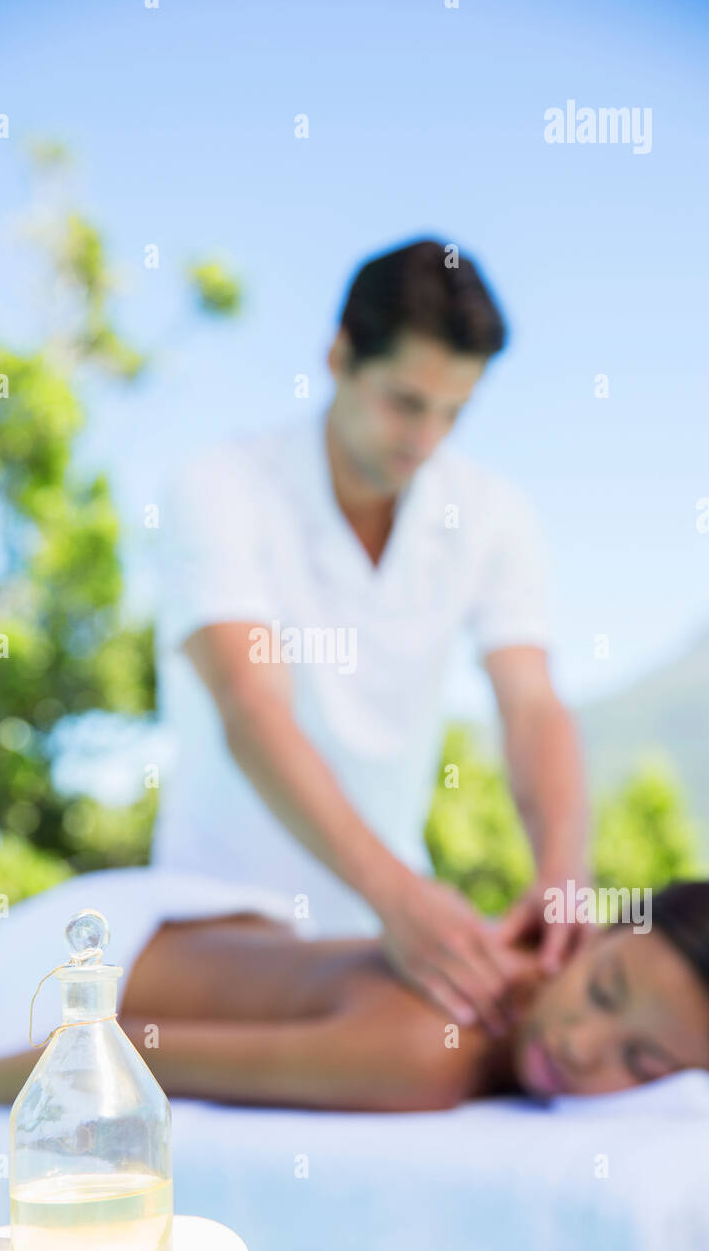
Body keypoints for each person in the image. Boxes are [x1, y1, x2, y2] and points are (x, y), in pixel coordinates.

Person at [153, 238, 590, 1037]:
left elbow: (530, 704)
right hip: (215, 926)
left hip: (386, 934)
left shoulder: (490, 512)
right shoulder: (222, 487)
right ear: (338, 356)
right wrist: (393, 895)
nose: (426, 438)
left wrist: (564, 869)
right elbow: (252, 706)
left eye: (454, 413)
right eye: (406, 402)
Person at [0, 880, 709, 1119]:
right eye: (604, 988)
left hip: (169, 924)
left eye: (642, 1062)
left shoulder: (519, 967)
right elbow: (126, 1046)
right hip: (66, 968)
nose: (587, 1044)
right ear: (596, 935)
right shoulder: (424, 1052)